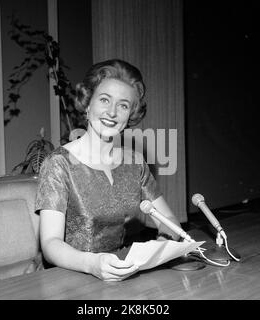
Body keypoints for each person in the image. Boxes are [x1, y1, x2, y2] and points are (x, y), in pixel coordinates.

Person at [35, 59, 182, 281]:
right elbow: (50, 244)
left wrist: (159, 248)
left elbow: (170, 220)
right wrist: (92, 264)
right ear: (87, 104)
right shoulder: (58, 164)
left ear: (131, 115)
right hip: (69, 279)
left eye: (123, 105)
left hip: (120, 275)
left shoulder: (135, 163)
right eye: (104, 100)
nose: (112, 112)